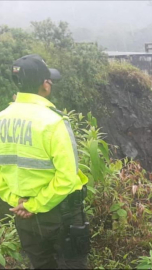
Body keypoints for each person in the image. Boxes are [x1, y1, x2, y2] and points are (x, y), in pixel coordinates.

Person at [0, 54, 90, 269]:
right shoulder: (53, 121)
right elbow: (67, 177)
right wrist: (36, 205)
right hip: (60, 214)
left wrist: (18, 202)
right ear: (45, 85)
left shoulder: (2, 119)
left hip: (22, 213)